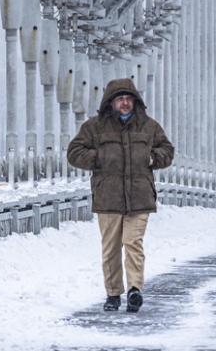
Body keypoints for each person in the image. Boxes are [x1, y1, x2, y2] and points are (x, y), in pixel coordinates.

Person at [67, 78, 174, 313]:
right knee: (111, 248)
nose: (125, 103)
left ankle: (135, 289)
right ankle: (113, 293)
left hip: (140, 197)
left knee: (133, 242)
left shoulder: (149, 126)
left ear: (135, 101)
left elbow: (167, 151)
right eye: (120, 99)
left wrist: (153, 157)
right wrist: (99, 159)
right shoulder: (94, 127)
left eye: (129, 99)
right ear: (111, 102)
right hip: (108, 197)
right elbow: (74, 152)